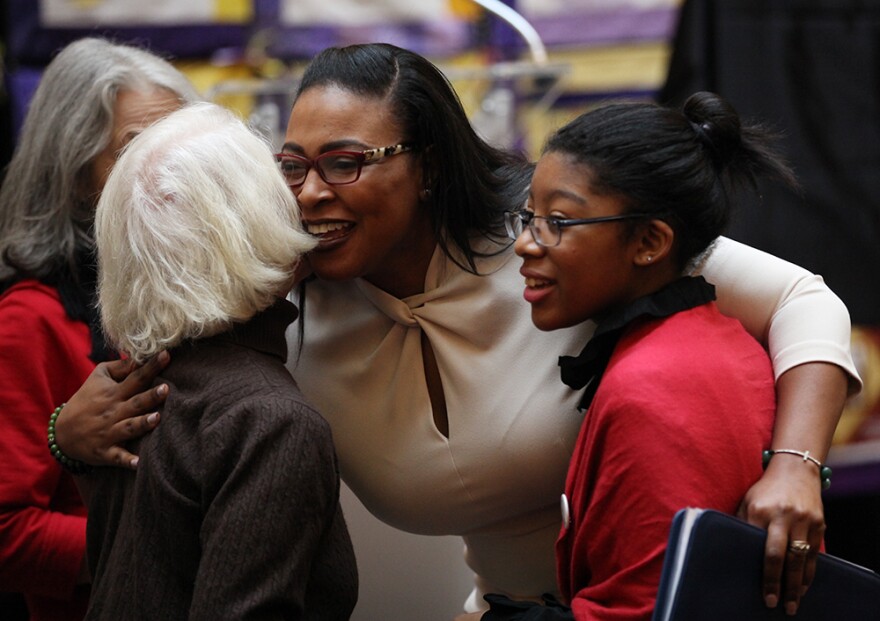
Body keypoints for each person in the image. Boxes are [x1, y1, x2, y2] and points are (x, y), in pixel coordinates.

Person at [53, 43, 859, 619]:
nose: (310, 194)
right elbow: (172, 372)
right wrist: (67, 430)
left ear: (430, 164)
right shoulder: (292, 304)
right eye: (293, 165)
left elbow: (805, 299)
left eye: (346, 161)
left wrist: (794, 466)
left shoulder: (546, 241)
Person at [483, 91, 801, 620]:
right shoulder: (710, 339)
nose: (525, 244)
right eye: (529, 216)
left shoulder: (654, 388)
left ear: (650, 241)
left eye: (557, 222)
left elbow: (646, 611)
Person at [80, 101, 357, 620]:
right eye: (278, 185)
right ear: (250, 228)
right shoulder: (270, 420)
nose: (302, 201)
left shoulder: (135, 391)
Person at [0, 37, 198, 621]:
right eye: (135, 150)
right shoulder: (29, 322)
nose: (169, 174)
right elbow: (7, 535)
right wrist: (168, 551)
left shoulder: (193, 292)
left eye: (181, 147)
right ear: (73, 172)